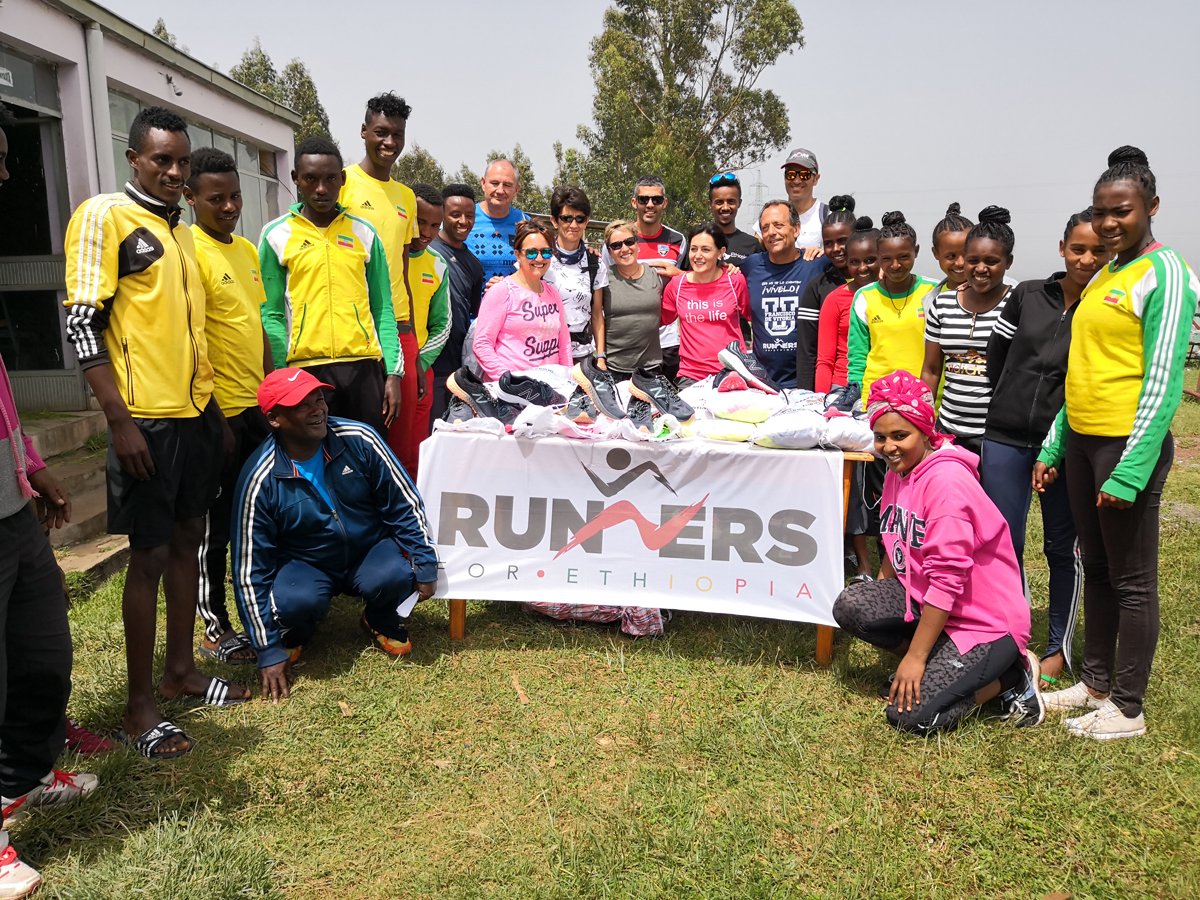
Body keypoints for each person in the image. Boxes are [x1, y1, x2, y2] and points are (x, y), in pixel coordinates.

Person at [63, 106, 249, 761]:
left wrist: (214, 416)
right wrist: (119, 422)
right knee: (146, 557)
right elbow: (83, 324)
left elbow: (193, 334)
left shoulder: (182, 233)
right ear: (134, 159)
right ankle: (140, 707)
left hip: (194, 418)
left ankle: (181, 674)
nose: (174, 172)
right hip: (144, 423)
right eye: (161, 160)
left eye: (181, 162)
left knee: (188, 541)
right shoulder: (106, 217)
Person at [1034, 146, 1199, 740]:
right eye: (1100, 211)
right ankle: (1096, 683)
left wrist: (1131, 469)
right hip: (1083, 441)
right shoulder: (1106, 273)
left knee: (1132, 580)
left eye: (1121, 211)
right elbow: (1082, 372)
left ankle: (1128, 707)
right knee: (1097, 568)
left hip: (1125, 445)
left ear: (1151, 207)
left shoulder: (1167, 273)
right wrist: (1055, 445)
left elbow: (1163, 380)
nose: (1107, 223)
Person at [833, 370, 1042, 734]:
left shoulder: (946, 483)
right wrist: (880, 592)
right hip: (930, 602)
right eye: (880, 437)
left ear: (925, 430)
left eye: (901, 435)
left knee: (910, 717)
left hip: (984, 623)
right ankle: (939, 663)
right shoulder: (900, 470)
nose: (889, 447)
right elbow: (897, 539)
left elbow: (947, 580)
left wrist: (915, 658)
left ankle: (1013, 676)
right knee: (852, 605)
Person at [0, 116, 97, 900]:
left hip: (9, 506)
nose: (8, 177)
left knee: (41, 655)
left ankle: (22, 779)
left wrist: (30, 464)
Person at [232, 368, 438, 700]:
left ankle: (379, 617)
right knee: (293, 602)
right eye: (302, 405)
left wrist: (425, 562)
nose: (318, 410)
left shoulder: (360, 438)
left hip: (368, 549)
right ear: (274, 419)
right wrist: (267, 649)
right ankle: (297, 630)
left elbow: (404, 504)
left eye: (319, 399)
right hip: (307, 562)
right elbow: (248, 570)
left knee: (396, 574)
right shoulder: (260, 478)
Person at [983, 210, 1104, 681]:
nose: (1087, 259)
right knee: (1002, 542)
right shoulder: (1028, 295)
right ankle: (1008, 635)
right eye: (1078, 249)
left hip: (1066, 446)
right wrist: (1009, 402)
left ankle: (1057, 647)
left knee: (1061, 547)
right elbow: (997, 356)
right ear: (1062, 248)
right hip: (1005, 437)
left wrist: (1057, 445)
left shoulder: (1104, 306)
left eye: (1098, 251)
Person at [184, 147, 273, 665]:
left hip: (256, 408)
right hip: (215, 413)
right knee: (213, 528)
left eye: (235, 196)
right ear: (191, 198)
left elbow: (255, 325)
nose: (230, 206)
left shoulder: (245, 250)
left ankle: (258, 610)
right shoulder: (187, 251)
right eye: (216, 198)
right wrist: (213, 416)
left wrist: (271, 392)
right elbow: (190, 339)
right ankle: (214, 627)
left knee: (253, 520)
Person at [259, 137, 401, 436]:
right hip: (305, 370)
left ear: (342, 179)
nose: (321, 189)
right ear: (296, 178)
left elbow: (383, 308)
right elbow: (270, 313)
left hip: (364, 367)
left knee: (365, 453)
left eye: (330, 178)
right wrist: (281, 374)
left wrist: (393, 372)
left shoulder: (365, 233)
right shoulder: (276, 235)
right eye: (310, 179)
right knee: (313, 455)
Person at [338, 93, 422, 470]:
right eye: (381, 132)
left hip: (399, 329)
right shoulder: (342, 184)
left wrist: (412, 337)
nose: (389, 142)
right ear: (364, 132)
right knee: (357, 440)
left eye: (397, 134)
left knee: (399, 441)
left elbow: (402, 267)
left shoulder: (406, 197)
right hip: (356, 329)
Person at [847, 211, 939, 545]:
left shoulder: (933, 291)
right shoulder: (865, 297)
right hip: (878, 408)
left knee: (920, 481)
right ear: (879, 258)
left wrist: (930, 403)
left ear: (916, 252)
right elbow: (858, 357)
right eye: (887, 259)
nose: (896, 265)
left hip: (922, 407)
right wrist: (860, 401)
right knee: (882, 484)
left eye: (904, 257)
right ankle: (887, 547)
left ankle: (917, 543)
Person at [920, 206, 1015, 456]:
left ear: (1008, 262)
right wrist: (924, 422)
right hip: (948, 431)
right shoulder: (942, 304)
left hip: (997, 435)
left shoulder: (1017, 304)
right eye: (973, 260)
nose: (979, 268)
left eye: (991, 261)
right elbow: (931, 370)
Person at [817, 217, 879, 583]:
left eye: (870, 260)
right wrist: (823, 405)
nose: (862, 268)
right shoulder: (836, 299)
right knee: (851, 485)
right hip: (844, 400)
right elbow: (825, 358)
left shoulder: (903, 296)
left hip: (884, 398)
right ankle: (862, 563)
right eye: (855, 262)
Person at [739, 200, 830, 389]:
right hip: (763, 384)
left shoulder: (817, 264)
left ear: (796, 229)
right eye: (765, 228)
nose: (771, 232)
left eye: (778, 225)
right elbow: (716, 276)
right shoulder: (751, 266)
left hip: (808, 383)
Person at [468, 219, 571, 383]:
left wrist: (568, 378)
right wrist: (510, 382)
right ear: (518, 254)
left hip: (550, 386)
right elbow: (482, 344)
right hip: (511, 389)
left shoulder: (553, 293)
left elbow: (564, 342)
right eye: (531, 253)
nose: (539, 258)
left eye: (546, 252)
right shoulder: (502, 291)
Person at [400, 183, 451, 474]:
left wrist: (420, 364)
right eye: (420, 222)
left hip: (421, 371)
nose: (426, 232)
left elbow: (442, 324)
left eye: (435, 226)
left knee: (414, 453)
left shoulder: (438, 264)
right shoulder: (385, 257)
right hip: (384, 368)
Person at [661, 224, 751, 387]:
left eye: (706, 250)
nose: (698, 256)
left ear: (721, 252)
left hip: (733, 372)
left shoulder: (735, 280)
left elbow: (754, 317)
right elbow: (658, 320)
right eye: (693, 249)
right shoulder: (677, 285)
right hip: (691, 376)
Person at [429, 184, 485, 427]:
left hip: (457, 367)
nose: (463, 221)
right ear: (442, 214)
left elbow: (474, 315)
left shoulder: (474, 264)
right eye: (455, 214)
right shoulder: (427, 250)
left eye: (469, 215)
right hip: (428, 363)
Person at [627, 175, 688, 382]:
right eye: (643, 199)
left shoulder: (678, 240)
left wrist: (678, 274)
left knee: (670, 399)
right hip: (630, 341)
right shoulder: (621, 240)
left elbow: (695, 281)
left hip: (668, 342)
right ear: (634, 202)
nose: (650, 205)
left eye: (656, 199)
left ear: (665, 203)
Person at [544, 186, 608, 363]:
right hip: (546, 353)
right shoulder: (540, 258)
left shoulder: (595, 263)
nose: (573, 225)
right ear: (554, 221)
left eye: (580, 219)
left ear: (587, 222)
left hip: (582, 355)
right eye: (566, 218)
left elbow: (597, 314)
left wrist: (601, 357)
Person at [595, 220, 664, 379]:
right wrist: (600, 357)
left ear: (637, 244)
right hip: (614, 367)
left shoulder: (656, 274)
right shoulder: (603, 277)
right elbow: (597, 316)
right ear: (609, 251)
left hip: (651, 367)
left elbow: (692, 281)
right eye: (616, 245)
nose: (624, 249)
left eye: (629, 242)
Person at [797, 195, 856, 351]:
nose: (836, 249)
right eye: (828, 243)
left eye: (842, 241)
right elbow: (807, 349)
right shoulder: (818, 287)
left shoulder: (875, 282)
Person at [468, 159, 529, 286]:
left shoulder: (526, 223)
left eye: (507, 185)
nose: (500, 190)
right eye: (495, 183)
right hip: (469, 299)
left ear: (516, 189)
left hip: (515, 298)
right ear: (483, 183)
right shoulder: (465, 219)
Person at [706, 173, 761, 267]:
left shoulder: (752, 244)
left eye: (731, 202)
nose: (725, 207)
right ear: (710, 204)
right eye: (719, 202)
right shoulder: (699, 241)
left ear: (739, 203)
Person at [779, 147, 827, 249]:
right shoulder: (772, 216)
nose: (796, 181)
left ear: (816, 179)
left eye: (804, 175)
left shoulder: (828, 216)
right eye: (790, 175)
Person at [929, 202, 974, 295]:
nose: (960, 263)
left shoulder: (998, 293)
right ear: (935, 253)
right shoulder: (931, 299)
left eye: (967, 255)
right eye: (951, 256)